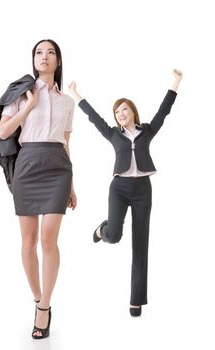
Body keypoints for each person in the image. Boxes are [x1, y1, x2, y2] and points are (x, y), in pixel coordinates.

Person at [68, 69, 183, 317]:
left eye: (124, 110)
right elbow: (93, 117)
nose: (120, 114)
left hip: (143, 190)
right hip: (119, 189)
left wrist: (176, 81)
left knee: (141, 243)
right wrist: (75, 93)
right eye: (117, 112)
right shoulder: (111, 133)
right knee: (115, 235)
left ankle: (136, 299)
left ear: (133, 113)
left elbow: (164, 110)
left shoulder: (148, 131)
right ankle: (103, 230)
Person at [0, 39, 76, 339]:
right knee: (28, 241)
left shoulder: (67, 102)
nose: (44, 57)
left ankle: (44, 307)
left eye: (50, 52)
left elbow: (67, 143)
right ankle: (36, 296)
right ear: (33, 60)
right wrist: (28, 105)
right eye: (39, 53)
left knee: (48, 240)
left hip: (58, 168)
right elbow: (4, 131)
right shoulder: (21, 93)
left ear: (58, 60)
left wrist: (72, 184)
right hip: (27, 165)